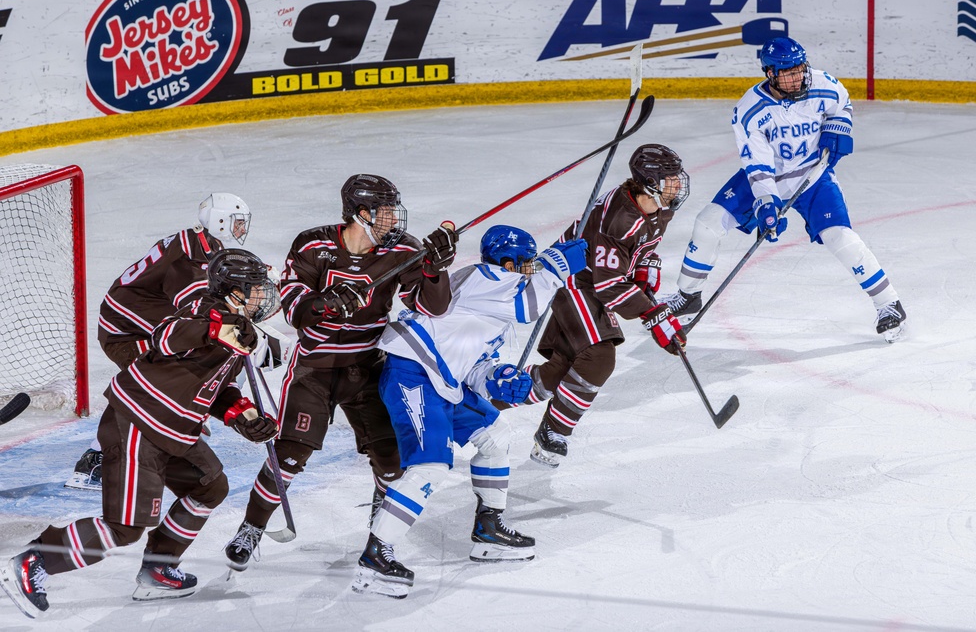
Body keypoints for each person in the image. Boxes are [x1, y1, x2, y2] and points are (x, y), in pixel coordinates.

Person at [0, 250, 280, 616]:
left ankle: (158, 568)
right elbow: (165, 337)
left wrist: (243, 416)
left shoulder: (239, 329)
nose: (263, 296)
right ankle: (35, 561)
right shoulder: (202, 309)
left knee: (210, 486)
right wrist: (213, 329)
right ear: (236, 291)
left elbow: (216, 386)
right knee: (124, 528)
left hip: (175, 430)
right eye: (257, 289)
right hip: (138, 423)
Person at [223, 174, 458, 572]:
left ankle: (380, 535)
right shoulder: (312, 245)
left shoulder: (403, 249)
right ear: (361, 213)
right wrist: (327, 304)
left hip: (368, 367)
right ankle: (251, 528)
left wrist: (435, 271)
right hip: (315, 368)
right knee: (289, 457)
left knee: (391, 461)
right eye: (386, 211)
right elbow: (295, 311)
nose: (394, 218)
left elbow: (434, 308)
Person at [351, 225, 588, 599]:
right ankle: (376, 556)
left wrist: (497, 378)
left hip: (442, 379)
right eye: (526, 263)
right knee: (430, 466)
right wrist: (556, 268)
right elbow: (529, 307)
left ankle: (489, 529)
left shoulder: (497, 296)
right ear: (506, 263)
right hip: (412, 372)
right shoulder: (483, 278)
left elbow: (473, 365)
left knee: (496, 436)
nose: (531, 270)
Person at [662, 36, 906, 342]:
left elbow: (841, 102)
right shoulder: (750, 110)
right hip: (768, 178)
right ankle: (688, 296)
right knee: (708, 223)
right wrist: (767, 202)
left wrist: (838, 127)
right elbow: (757, 164)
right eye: (788, 73)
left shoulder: (822, 83)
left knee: (840, 237)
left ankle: (889, 304)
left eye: (800, 69)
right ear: (770, 74)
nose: (797, 78)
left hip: (813, 177)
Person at [66, 193, 257, 491]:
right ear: (219, 220)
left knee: (213, 352)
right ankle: (96, 460)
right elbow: (197, 308)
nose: (242, 229)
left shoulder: (201, 244)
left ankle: (178, 419)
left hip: (140, 325)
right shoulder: (192, 258)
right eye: (237, 222)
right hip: (127, 333)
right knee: (155, 381)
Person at [525, 144, 690, 468]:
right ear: (650, 183)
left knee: (560, 371)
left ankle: (480, 403)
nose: (677, 183)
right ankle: (553, 431)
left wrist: (643, 268)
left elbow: (637, 250)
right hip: (571, 276)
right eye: (669, 178)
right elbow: (609, 284)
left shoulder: (658, 206)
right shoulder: (621, 218)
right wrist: (653, 314)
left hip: (594, 279)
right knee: (598, 357)